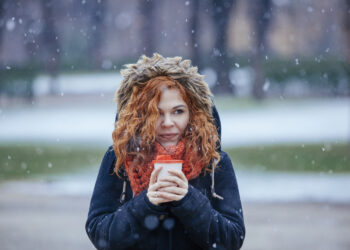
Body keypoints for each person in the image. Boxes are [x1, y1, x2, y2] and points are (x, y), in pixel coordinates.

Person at [85, 53, 245, 250]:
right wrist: (146, 204)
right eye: (156, 113)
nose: (168, 123)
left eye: (178, 111)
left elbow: (232, 239)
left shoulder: (214, 161)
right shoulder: (119, 157)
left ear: (194, 113)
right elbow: (100, 234)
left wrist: (188, 200)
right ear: (139, 116)